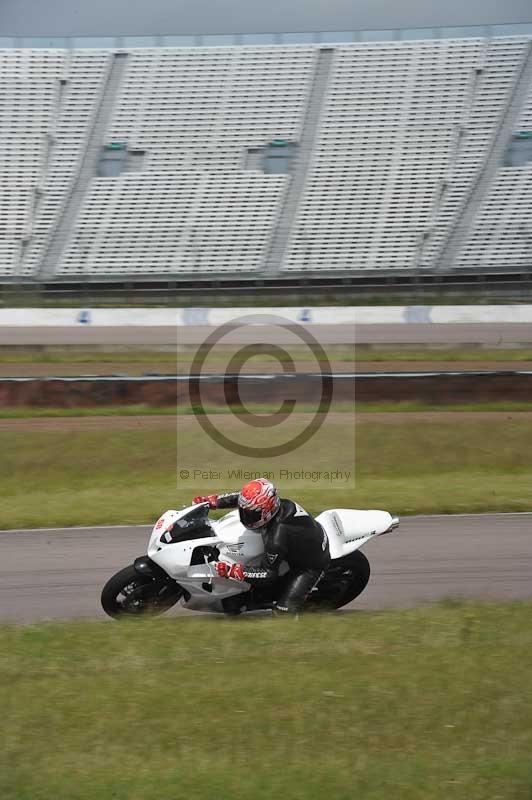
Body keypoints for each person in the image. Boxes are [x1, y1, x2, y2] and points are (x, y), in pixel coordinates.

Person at [192, 478, 330, 614]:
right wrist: (212, 501)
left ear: (267, 511)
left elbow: (268, 574)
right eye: (245, 512)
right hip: (302, 540)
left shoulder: (277, 537)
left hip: (310, 565)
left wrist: (233, 570)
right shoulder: (268, 505)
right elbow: (241, 498)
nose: (247, 517)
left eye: (253, 514)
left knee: (283, 614)